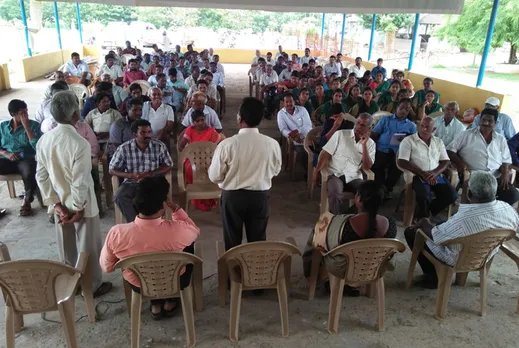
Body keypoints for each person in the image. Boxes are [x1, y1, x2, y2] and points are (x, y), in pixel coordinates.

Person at [36, 91, 112, 297]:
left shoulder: (44, 141)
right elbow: (80, 182)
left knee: (66, 246)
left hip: (59, 204)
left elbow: (41, 177)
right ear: (75, 115)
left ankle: (72, 283)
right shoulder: (80, 143)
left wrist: (57, 205)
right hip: (82, 206)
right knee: (88, 247)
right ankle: (92, 285)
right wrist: (77, 208)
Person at [100, 176, 199, 319]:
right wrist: (176, 210)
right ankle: (171, 300)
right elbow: (194, 230)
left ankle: (155, 304)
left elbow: (106, 267)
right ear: (164, 205)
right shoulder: (178, 230)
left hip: (140, 285)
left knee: (141, 260)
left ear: (134, 203)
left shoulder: (117, 233)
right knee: (189, 247)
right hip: (175, 281)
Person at [405, 171, 519, 288]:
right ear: (495, 192)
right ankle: (460, 279)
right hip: (485, 254)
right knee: (441, 223)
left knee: (412, 232)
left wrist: (424, 222)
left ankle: (433, 277)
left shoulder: (464, 219)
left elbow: (436, 237)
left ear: (469, 194)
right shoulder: (508, 209)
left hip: (457, 259)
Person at [209, 97, 282, 251]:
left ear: (239, 118)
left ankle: (232, 273)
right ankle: (254, 273)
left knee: (232, 240)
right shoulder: (272, 144)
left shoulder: (227, 144)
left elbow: (214, 176)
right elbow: (275, 170)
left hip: (233, 197)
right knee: (257, 240)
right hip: (259, 196)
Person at [302, 181, 397, 280]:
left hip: (343, 269)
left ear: (359, 199)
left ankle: (311, 276)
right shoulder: (391, 225)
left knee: (317, 235)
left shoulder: (343, 225)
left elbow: (325, 243)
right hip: (376, 267)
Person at [447, 108, 519, 206]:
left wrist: (505, 173)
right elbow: (450, 150)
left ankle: (493, 216)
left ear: (495, 123)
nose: (486, 123)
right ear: (479, 120)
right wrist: (460, 163)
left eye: (490, 121)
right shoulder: (467, 134)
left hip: (495, 176)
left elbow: (506, 159)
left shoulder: (500, 139)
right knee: (485, 197)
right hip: (475, 176)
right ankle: (482, 215)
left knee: (513, 194)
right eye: (483, 120)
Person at [109, 119, 173, 223]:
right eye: (143, 132)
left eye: (149, 132)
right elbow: (112, 169)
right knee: (120, 196)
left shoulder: (159, 146)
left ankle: (153, 224)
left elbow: (169, 165)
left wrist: (152, 173)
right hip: (132, 182)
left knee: (155, 196)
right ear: (134, 134)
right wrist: (131, 175)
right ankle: (135, 224)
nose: (147, 135)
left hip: (153, 182)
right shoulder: (124, 148)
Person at [397, 117, 458, 220]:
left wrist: (434, 173)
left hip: (436, 175)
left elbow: (446, 161)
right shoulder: (409, 141)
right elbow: (401, 161)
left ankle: (427, 213)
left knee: (451, 195)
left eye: (427, 127)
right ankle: (422, 220)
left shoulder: (438, 141)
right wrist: (423, 174)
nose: (424, 129)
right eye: (422, 126)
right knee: (424, 196)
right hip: (416, 175)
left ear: (433, 129)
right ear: (418, 126)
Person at [314, 113, 375, 214]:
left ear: (369, 128)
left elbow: (367, 166)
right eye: (357, 123)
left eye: (363, 125)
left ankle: (349, 216)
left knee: (368, 193)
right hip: (335, 174)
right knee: (335, 192)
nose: (358, 126)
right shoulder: (341, 134)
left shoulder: (371, 144)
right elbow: (325, 154)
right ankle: (337, 220)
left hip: (353, 176)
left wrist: (364, 146)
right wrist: (316, 172)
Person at [178, 110, 225, 211]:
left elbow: (221, 144)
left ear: (205, 119)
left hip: (209, 159)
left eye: (202, 120)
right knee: (190, 170)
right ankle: (198, 198)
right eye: (197, 121)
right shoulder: (189, 130)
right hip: (192, 159)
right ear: (193, 122)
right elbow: (181, 146)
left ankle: (210, 197)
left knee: (214, 170)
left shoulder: (212, 131)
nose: (200, 123)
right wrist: (190, 153)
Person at [0, 100, 41, 216]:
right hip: (6, 159)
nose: (26, 115)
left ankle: (26, 201)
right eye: (22, 113)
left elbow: (37, 146)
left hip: (24, 159)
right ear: (13, 114)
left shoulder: (34, 125)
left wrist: (26, 127)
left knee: (29, 172)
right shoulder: (3, 126)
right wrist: (6, 153)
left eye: (26, 111)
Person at [370, 98, 417, 198]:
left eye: (407, 109)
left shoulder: (411, 126)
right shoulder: (385, 120)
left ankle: (386, 189)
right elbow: (374, 134)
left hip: (398, 152)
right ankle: (379, 189)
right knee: (378, 166)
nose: (404, 111)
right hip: (382, 149)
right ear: (397, 107)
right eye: (402, 108)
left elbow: (413, 142)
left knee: (398, 168)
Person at [277, 93, 313, 177]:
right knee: (303, 152)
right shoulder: (281, 114)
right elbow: (283, 129)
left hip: (308, 136)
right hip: (294, 139)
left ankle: (316, 171)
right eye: (287, 102)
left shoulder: (302, 110)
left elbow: (308, 125)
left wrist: (297, 131)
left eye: (291, 101)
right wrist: (292, 135)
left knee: (317, 150)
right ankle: (309, 173)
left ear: (294, 101)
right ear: (284, 103)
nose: (289, 104)